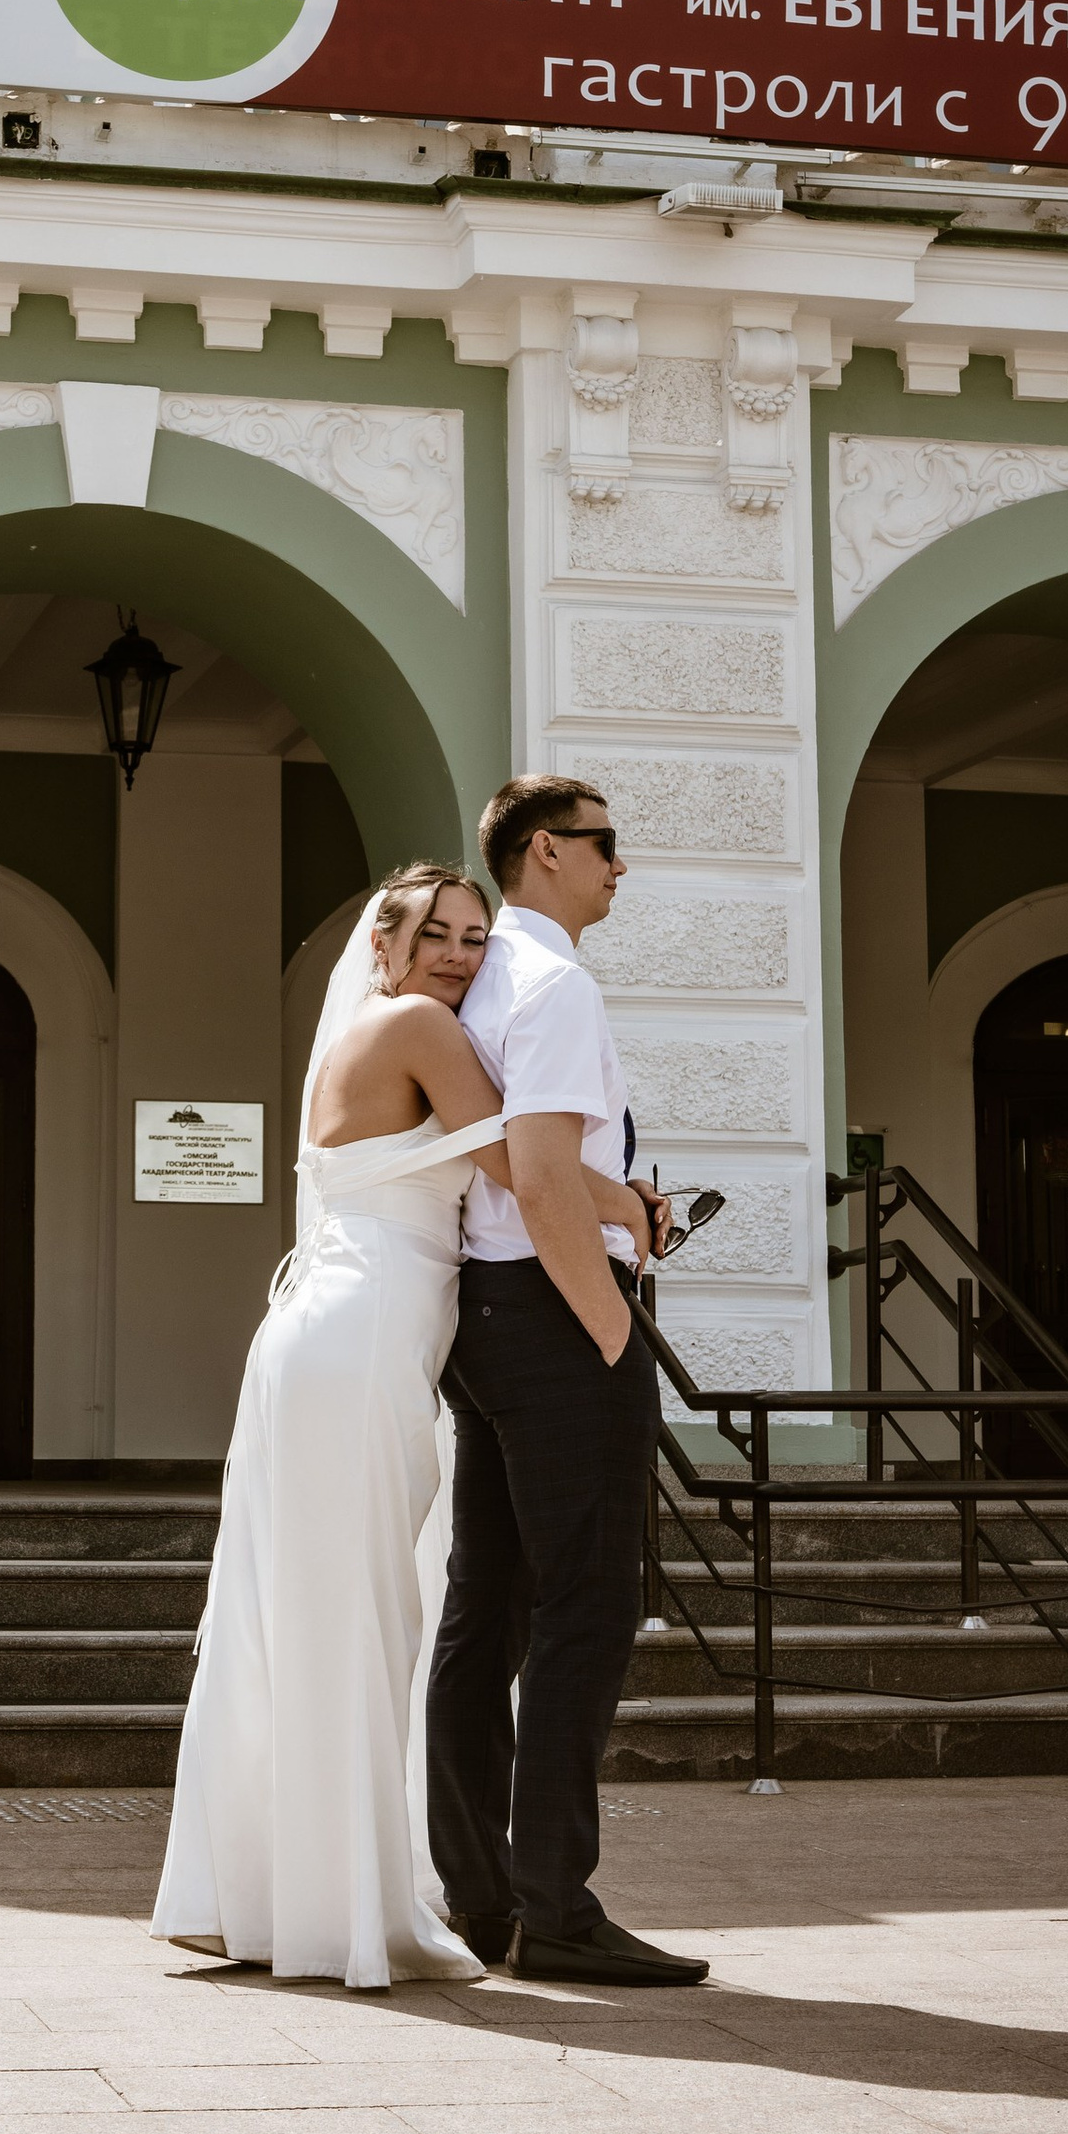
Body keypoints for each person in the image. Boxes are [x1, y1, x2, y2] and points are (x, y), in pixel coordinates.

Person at [151, 863, 509, 1990]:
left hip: (329, 1339)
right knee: (360, 1621)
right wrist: (633, 1204)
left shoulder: (370, 1030)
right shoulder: (417, 1027)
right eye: (437, 933)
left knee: (304, 1622)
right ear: (386, 949)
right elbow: (516, 1167)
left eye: (475, 936)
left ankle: (259, 1900)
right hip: (357, 1349)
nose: (459, 953)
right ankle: (349, 1917)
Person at [426, 775, 712, 1989]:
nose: (619, 865)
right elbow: (539, 1175)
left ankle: (484, 1899)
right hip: (552, 1318)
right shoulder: (551, 982)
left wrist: (622, 1207)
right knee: (586, 1612)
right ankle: (557, 1905)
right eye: (605, 844)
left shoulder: (487, 981)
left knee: (484, 1611)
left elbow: (518, 1159)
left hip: (486, 1318)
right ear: (545, 851)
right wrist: (610, 1331)